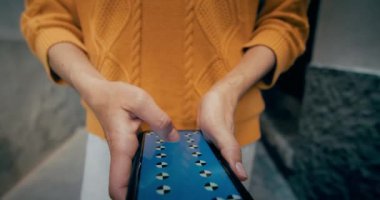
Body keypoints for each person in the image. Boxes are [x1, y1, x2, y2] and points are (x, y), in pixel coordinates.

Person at [21, 0, 309, 199]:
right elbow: (47, 17)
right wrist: (96, 89)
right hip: (113, 136)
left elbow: (285, 19)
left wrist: (229, 90)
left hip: (226, 134)